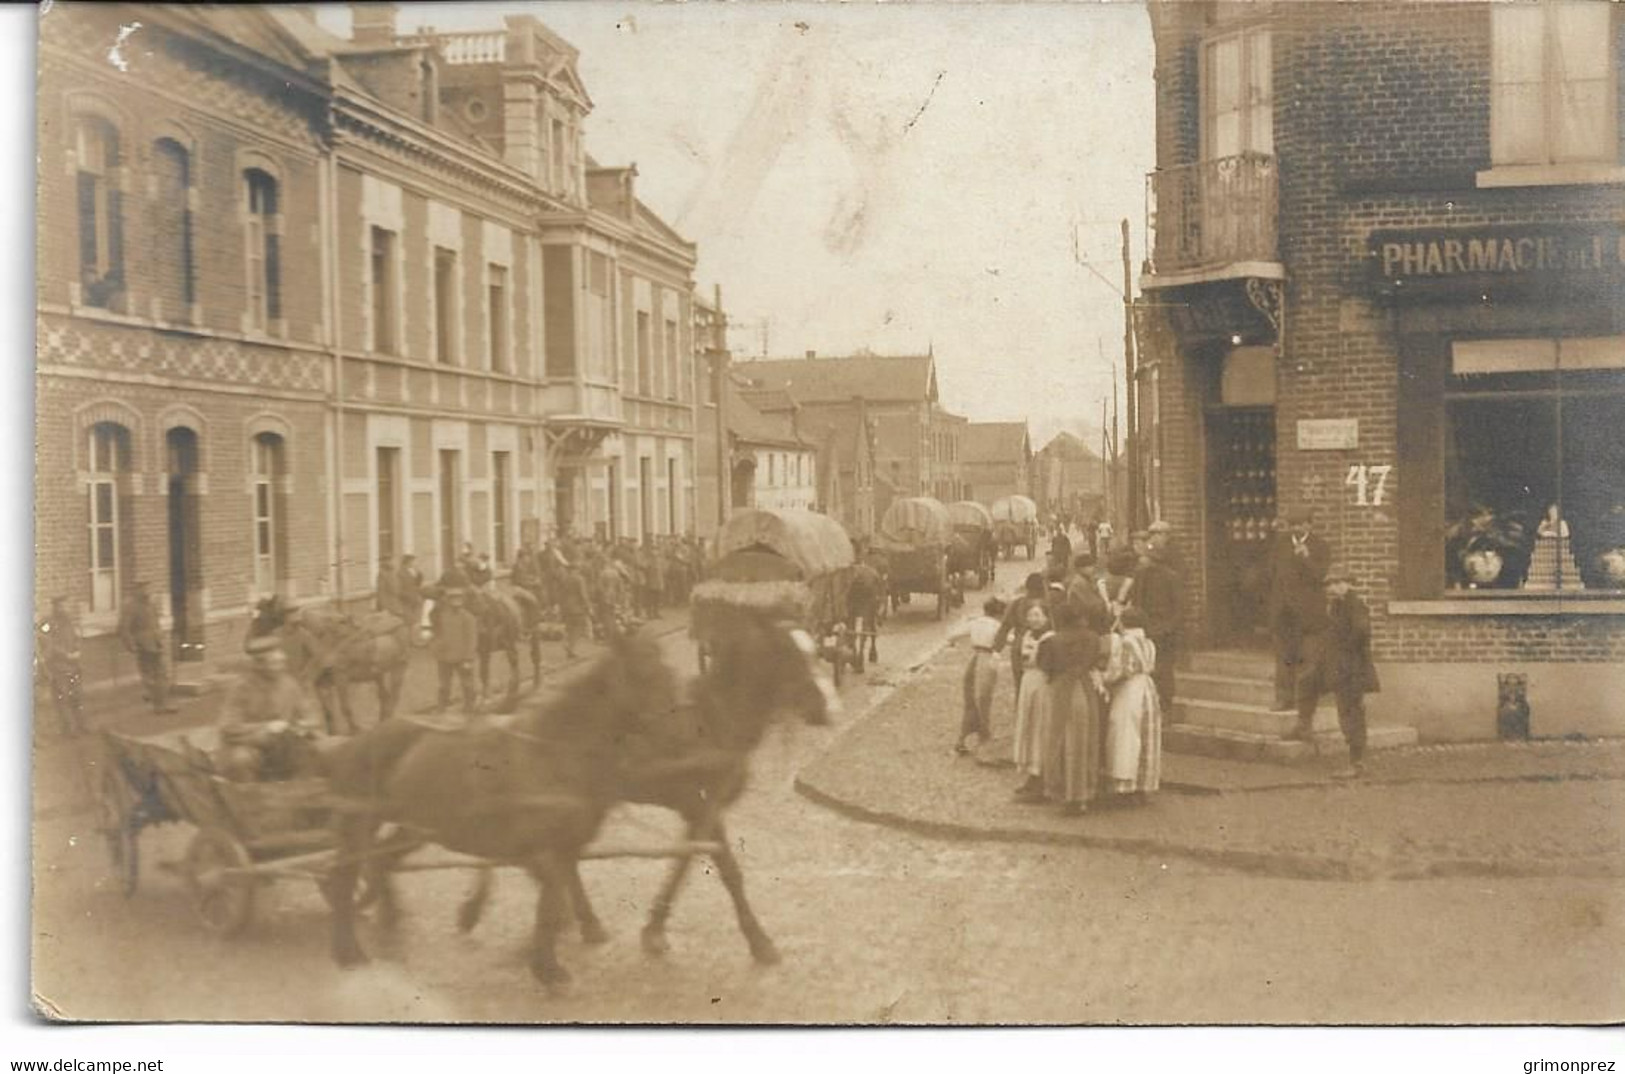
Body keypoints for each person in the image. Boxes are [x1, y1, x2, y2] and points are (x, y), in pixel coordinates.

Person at [1294, 566, 1380, 777]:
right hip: (1337, 664)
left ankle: (1356, 763)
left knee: (1350, 713)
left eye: (1338, 583)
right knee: (1307, 681)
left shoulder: (1354, 605)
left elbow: (1360, 633)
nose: (1332, 588)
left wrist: (1342, 653)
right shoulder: (1337, 606)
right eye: (1329, 584)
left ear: (1349, 584)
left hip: (1351, 668)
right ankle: (1303, 725)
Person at [217, 636, 321, 781]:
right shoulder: (241, 688)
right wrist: (267, 727)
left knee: (314, 754)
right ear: (260, 665)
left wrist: (304, 725)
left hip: (283, 745)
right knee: (241, 760)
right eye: (275, 663)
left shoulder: (289, 684)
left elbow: (310, 715)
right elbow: (229, 727)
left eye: (282, 662)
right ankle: (247, 798)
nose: (281, 667)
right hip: (251, 744)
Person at [1039, 601, 1106, 815]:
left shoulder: (1052, 641)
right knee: (1084, 742)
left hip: (1061, 690)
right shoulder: (1094, 638)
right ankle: (1084, 794)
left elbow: (1045, 666)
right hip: (1086, 690)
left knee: (1061, 741)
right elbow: (1098, 661)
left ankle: (1067, 795)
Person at [1268, 505, 1331, 713]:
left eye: (1300, 524)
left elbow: (1321, 576)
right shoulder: (1280, 544)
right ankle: (1283, 698)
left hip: (1308, 614)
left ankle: (1305, 702)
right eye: (1292, 525)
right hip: (1284, 612)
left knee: (1307, 659)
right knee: (1284, 657)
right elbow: (1272, 574)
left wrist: (1306, 558)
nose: (1295, 529)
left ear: (1309, 525)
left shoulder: (1320, 546)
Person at [1101, 606, 1162, 801]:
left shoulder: (1126, 642)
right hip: (1147, 688)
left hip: (1130, 690)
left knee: (1125, 734)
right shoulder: (1149, 642)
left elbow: (1121, 671)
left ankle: (1124, 786)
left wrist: (1103, 678)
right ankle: (1143, 784)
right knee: (1145, 734)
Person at [1010, 602, 1054, 802]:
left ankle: (1042, 777)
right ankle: (1031, 775)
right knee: (1028, 727)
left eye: (1038, 615)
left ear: (1046, 617)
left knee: (1039, 727)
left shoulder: (1050, 639)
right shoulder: (1026, 636)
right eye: (1031, 615)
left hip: (1042, 685)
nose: (1034, 619)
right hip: (1028, 683)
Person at [951, 597, 1006, 755]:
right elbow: (1010, 640)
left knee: (970, 699)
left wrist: (953, 642)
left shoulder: (975, 622)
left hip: (974, 659)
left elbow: (952, 635)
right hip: (987, 659)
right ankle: (984, 739)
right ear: (999, 613)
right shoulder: (997, 625)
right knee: (984, 699)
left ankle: (962, 738)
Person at [1136, 541, 1184, 712]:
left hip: (1164, 632)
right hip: (1148, 630)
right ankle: (1151, 706)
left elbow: (1179, 608)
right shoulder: (1142, 576)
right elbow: (1138, 603)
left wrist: (1168, 628)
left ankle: (1166, 707)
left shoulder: (1172, 577)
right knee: (1148, 669)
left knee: (1164, 670)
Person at [117, 582, 176, 714]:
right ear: (136, 590)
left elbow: (156, 623)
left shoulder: (151, 604)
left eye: (148, 588)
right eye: (143, 588)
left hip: (156, 644)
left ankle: (162, 703)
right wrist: (131, 645)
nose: (147, 591)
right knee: (149, 676)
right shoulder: (130, 607)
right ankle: (158, 704)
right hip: (143, 646)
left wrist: (160, 636)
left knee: (162, 674)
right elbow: (123, 629)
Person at [993, 572, 1049, 699]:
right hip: (1044, 647)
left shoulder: (1018, 603)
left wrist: (997, 649)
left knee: (1020, 686)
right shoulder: (1048, 604)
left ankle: (1021, 714)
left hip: (1019, 648)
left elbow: (1005, 627)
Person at [37, 596, 85, 736]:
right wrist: (65, 654)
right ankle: (68, 729)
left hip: (74, 665)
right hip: (58, 666)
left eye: (66, 605)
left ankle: (81, 726)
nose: (64, 608)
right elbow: (45, 640)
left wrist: (77, 650)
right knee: (62, 698)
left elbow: (75, 637)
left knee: (77, 696)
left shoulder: (68, 621)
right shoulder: (48, 623)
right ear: (55, 607)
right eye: (61, 606)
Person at [431, 587, 480, 713]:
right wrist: (437, 647)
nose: (455, 602)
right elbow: (438, 634)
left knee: (467, 684)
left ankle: (470, 708)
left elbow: (472, 640)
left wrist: (468, 658)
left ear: (462, 600)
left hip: (462, 658)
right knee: (443, 685)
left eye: (458, 599)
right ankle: (441, 709)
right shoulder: (442, 616)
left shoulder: (468, 618)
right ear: (448, 601)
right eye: (452, 599)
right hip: (444, 658)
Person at [558, 562, 592, 659]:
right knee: (578, 628)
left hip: (566, 607)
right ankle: (571, 648)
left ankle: (567, 645)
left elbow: (561, 594)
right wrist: (588, 606)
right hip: (577, 607)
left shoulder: (565, 579)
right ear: (576, 569)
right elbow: (583, 594)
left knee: (569, 628)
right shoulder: (579, 579)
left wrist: (562, 607)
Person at [396, 554, 425, 644]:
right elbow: (399, 589)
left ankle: (415, 640)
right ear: (407, 562)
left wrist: (419, 573)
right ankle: (411, 641)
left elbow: (417, 584)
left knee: (416, 620)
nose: (414, 563)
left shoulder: (412, 571)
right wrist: (407, 596)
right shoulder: (400, 573)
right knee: (410, 621)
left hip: (415, 598)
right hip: (406, 600)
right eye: (413, 561)